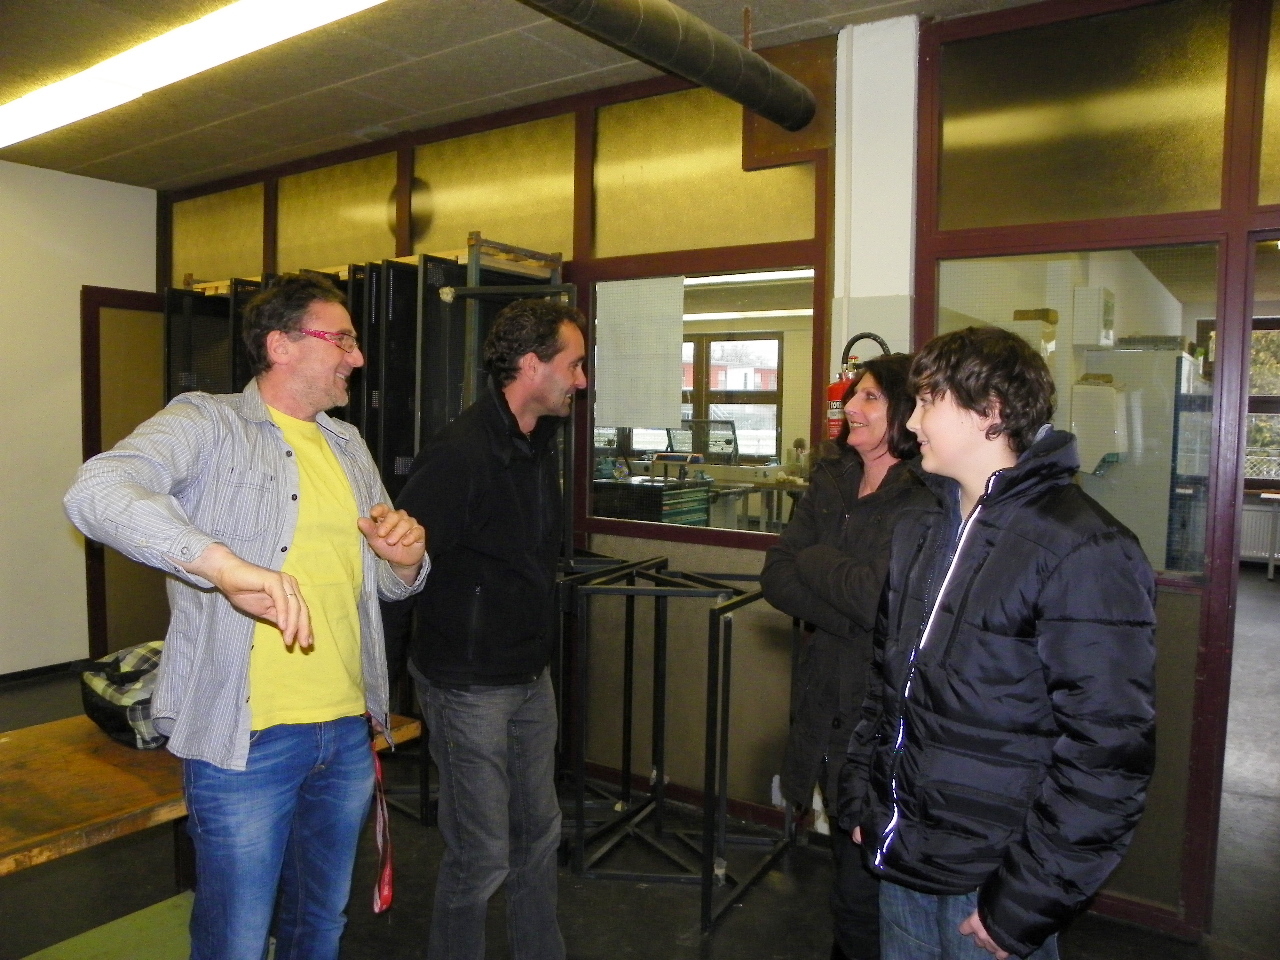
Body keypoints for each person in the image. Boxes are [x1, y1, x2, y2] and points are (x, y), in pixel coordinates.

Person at [64, 273, 428, 960]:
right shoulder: (208, 422)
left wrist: (405, 561)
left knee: (321, 924)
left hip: (346, 729)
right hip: (247, 739)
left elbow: (383, 581)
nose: (357, 357)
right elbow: (97, 490)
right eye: (342, 340)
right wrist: (220, 565)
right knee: (235, 938)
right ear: (280, 345)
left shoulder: (348, 444)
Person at [839, 326, 1157, 960]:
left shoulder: (1082, 548)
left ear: (991, 411)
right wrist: (861, 799)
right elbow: (887, 684)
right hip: (902, 856)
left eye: (928, 401)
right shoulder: (920, 527)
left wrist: (1026, 901)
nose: (913, 420)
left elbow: (1107, 752)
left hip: (991, 883)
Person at [392, 297, 587, 960]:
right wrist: (378, 685)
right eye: (573, 364)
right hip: (466, 684)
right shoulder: (460, 454)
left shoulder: (538, 445)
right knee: (481, 854)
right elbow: (399, 569)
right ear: (531, 365)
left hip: (529, 674)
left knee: (538, 833)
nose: (581, 379)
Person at [761, 352, 932, 960]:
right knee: (846, 879)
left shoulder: (924, 493)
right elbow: (776, 577)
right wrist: (859, 616)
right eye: (852, 395)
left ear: (905, 411)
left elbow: (875, 597)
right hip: (826, 700)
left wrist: (815, 559)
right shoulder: (833, 477)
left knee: (871, 893)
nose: (850, 407)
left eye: (869, 397)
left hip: (883, 715)